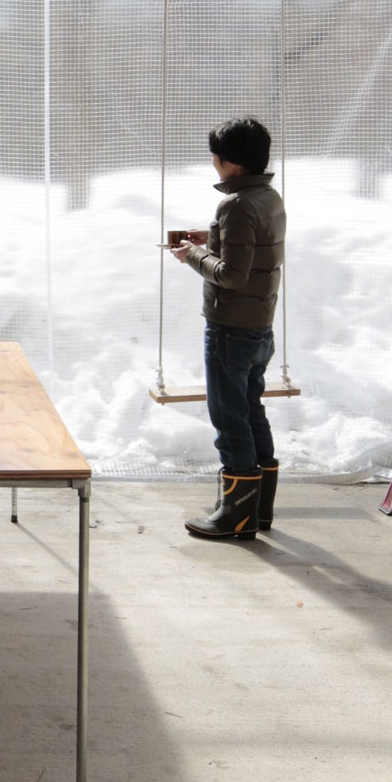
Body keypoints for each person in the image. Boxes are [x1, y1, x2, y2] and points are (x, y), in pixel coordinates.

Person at [172, 117, 286, 542]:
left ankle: (236, 516)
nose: (213, 163)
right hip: (259, 326)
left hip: (229, 328)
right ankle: (258, 509)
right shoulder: (268, 197)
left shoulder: (235, 205)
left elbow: (233, 276)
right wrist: (212, 238)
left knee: (229, 416)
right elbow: (254, 248)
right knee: (251, 409)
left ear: (230, 163)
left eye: (215, 157)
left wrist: (192, 255)